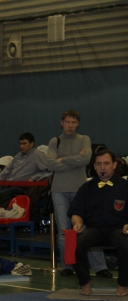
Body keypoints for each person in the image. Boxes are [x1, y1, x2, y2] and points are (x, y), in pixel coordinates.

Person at [45, 110, 111, 278]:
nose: (70, 125)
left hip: (81, 191)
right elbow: (50, 164)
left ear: (78, 124)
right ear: (62, 123)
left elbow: (86, 159)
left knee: (89, 228)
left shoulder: (84, 139)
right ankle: (68, 265)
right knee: (64, 230)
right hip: (59, 191)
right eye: (67, 122)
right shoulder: (54, 141)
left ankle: (99, 267)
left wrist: (62, 159)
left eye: (73, 122)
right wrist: (75, 159)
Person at [68, 149, 128, 296]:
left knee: (126, 245)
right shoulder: (86, 187)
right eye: (99, 164)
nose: (102, 167)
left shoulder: (125, 186)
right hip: (93, 229)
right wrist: (77, 223)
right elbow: (76, 212)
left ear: (114, 165)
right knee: (73, 243)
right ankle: (85, 281)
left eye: (106, 163)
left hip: (119, 229)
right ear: (94, 167)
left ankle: (123, 283)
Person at [0, 133, 51, 197]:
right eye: (20, 144)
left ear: (32, 144)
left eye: (24, 143)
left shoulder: (38, 155)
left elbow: (49, 171)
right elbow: (5, 171)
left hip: (21, 187)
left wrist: (33, 178)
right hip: (8, 184)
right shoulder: (18, 156)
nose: (22, 146)